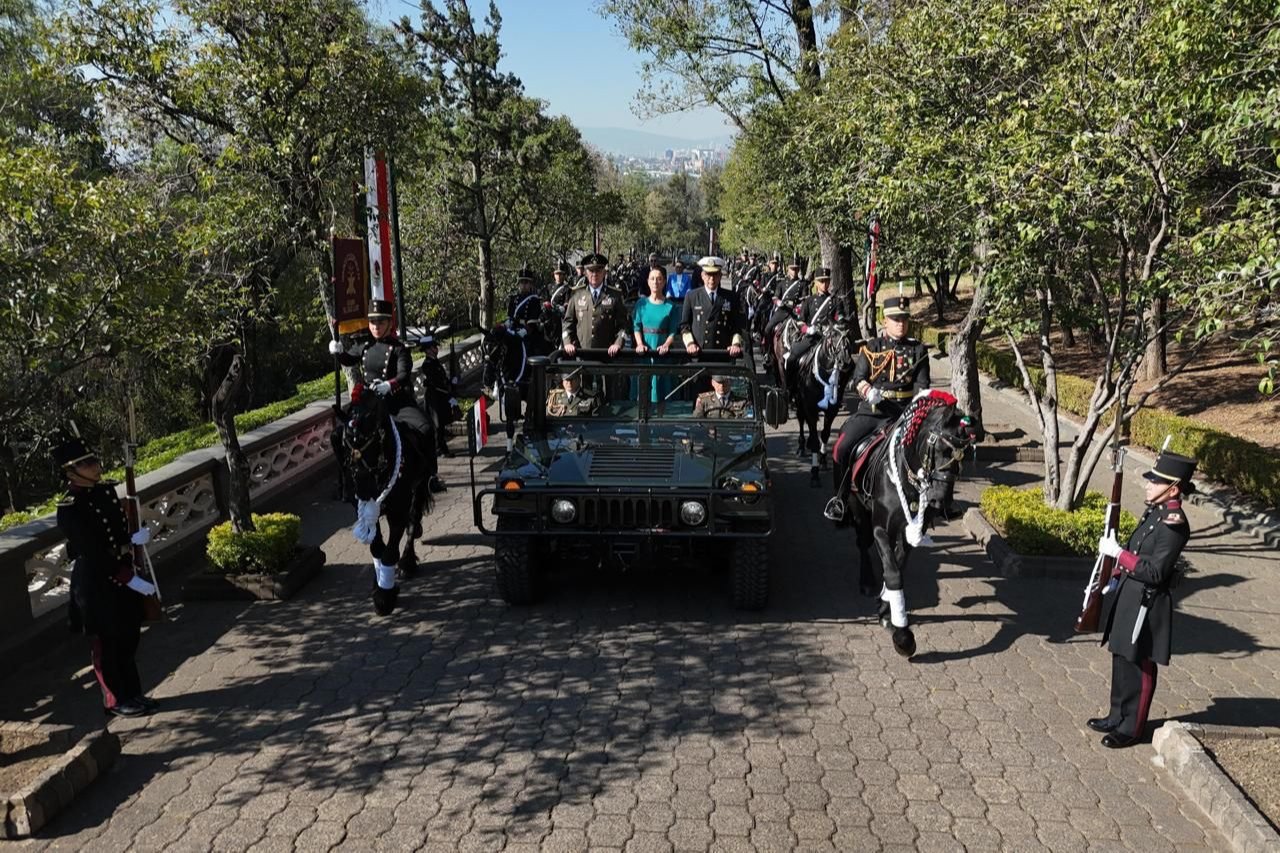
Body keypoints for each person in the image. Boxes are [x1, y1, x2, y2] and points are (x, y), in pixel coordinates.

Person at [1088, 451, 1197, 748]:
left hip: (1148, 602)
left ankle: (1132, 727)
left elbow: (1155, 570)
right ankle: (1116, 714)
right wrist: (1115, 573)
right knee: (1121, 655)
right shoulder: (1155, 512)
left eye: (1155, 482)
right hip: (1130, 592)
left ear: (1173, 489)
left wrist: (1118, 554)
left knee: (1140, 664)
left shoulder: (1174, 524)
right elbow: (1138, 550)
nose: (1148, 485)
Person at [53, 436, 156, 718]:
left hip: (121, 573)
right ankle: (114, 699)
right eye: (86, 463)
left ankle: (133, 693)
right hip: (96, 581)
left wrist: (133, 537)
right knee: (107, 643)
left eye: (94, 460)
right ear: (70, 471)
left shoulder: (106, 492)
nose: (95, 466)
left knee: (129, 637)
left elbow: (118, 529)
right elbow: (92, 550)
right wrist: (127, 577)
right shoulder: (69, 508)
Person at [826, 296, 929, 521]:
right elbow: (857, 378)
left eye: (904, 319)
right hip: (873, 412)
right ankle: (840, 500)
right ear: (885, 320)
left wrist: (915, 409)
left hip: (904, 414)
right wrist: (867, 390)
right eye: (895, 319)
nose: (900, 323)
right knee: (841, 448)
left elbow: (922, 387)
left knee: (932, 450)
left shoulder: (918, 350)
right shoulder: (872, 347)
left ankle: (932, 506)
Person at [329, 300, 433, 442]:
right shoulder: (364, 345)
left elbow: (403, 374)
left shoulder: (399, 348)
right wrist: (338, 351)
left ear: (390, 324)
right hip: (369, 403)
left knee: (426, 427)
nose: (376, 326)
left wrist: (388, 385)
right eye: (372, 322)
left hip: (396, 402)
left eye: (381, 322)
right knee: (341, 435)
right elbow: (348, 360)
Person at [784, 267, 852, 379]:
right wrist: (808, 329)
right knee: (792, 356)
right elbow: (800, 322)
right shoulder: (809, 301)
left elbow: (840, 316)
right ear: (815, 283)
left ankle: (842, 388)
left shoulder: (835, 300)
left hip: (830, 338)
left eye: (827, 281)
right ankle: (790, 387)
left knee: (848, 361)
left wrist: (837, 323)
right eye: (821, 281)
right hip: (813, 337)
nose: (824, 284)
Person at [414, 330, 458, 492]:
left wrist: (451, 382)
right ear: (427, 350)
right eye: (432, 347)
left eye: (435, 347)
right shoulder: (427, 364)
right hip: (434, 397)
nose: (435, 349)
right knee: (437, 424)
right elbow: (434, 381)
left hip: (440, 396)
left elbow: (442, 378)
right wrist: (447, 388)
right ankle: (441, 449)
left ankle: (441, 447)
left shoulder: (435, 362)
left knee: (442, 422)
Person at [561, 253, 628, 357]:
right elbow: (567, 323)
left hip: (607, 355)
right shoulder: (577, 294)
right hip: (581, 354)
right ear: (585, 273)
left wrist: (618, 343)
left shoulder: (615, 295)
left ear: (604, 272)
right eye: (591, 270)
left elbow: (623, 325)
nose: (594, 274)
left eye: (598, 270)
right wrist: (567, 342)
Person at [680, 256, 745, 356]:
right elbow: (685, 326)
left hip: (722, 354)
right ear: (702, 275)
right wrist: (690, 343)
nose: (711, 279)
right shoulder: (692, 296)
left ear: (720, 276)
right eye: (708, 274)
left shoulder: (731, 297)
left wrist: (735, 344)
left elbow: (737, 326)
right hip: (698, 353)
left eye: (715, 275)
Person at [633, 265, 680, 402]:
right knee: (643, 390)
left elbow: (672, 331)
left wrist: (666, 344)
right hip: (645, 352)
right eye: (652, 279)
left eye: (659, 279)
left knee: (661, 389)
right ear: (648, 281)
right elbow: (636, 327)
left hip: (662, 352)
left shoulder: (671, 306)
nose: (655, 282)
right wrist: (640, 344)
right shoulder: (640, 304)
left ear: (664, 282)